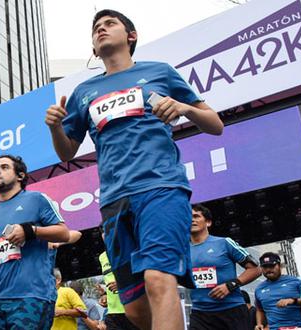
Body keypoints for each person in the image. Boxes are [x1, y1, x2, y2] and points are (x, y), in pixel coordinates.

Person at [45, 8, 223, 329]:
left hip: (161, 188)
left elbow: (215, 124)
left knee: (159, 279)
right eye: (96, 28)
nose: (101, 29)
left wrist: (183, 107)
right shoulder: (84, 92)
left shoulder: (160, 72)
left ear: (131, 36)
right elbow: (67, 149)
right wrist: (57, 128)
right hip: (113, 201)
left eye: (109, 24)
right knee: (136, 310)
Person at [0, 155, 70, 329]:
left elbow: (63, 233)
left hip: (31, 295)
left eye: (4, 167)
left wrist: (30, 231)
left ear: (20, 176)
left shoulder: (36, 199)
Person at [189, 204, 261, 330]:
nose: (191, 220)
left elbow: (256, 269)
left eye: (196, 216)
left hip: (231, 310)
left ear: (208, 222)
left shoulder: (224, 243)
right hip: (199, 314)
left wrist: (230, 285)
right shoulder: (181, 250)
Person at [254, 252, 301, 330]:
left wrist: (293, 300)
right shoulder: (259, 289)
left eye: (272, 266)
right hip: (275, 328)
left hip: (300, 326)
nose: (268, 269)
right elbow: (259, 309)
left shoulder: (296, 281)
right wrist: (259, 324)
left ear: (280, 266)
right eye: (265, 267)